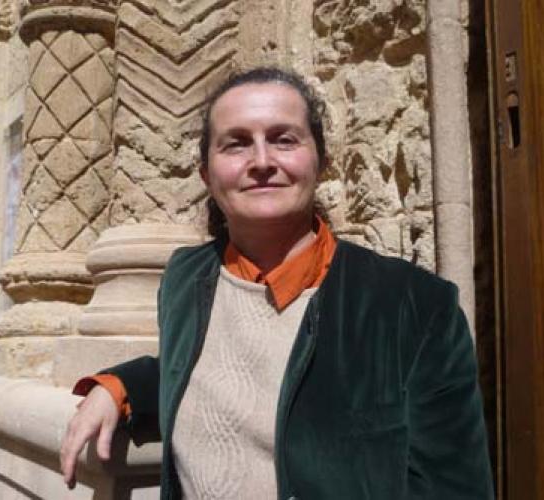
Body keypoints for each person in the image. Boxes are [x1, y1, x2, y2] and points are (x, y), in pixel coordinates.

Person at [60, 67, 494, 499]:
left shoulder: (415, 307)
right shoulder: (186, 278)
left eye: (284, 139)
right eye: (236, 143)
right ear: (206, 174)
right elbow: (197, 370)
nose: (262, 162)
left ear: (322, 162)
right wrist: (119, 387)